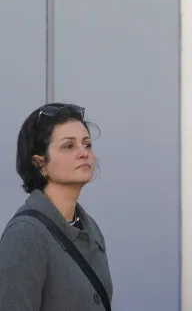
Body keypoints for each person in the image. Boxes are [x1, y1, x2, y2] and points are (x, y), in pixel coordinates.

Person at [0, 103, 113, 311]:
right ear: (40, 163)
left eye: (87, 144)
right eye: (69, 146)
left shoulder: (89, 228)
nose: (83, 152)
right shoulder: (25, 234)